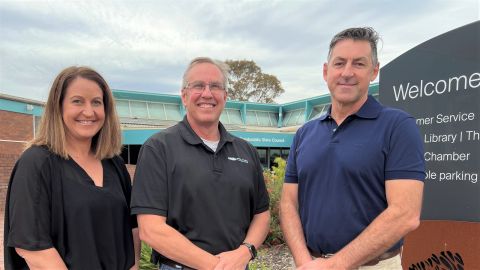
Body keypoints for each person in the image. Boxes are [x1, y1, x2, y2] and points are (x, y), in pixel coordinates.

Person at [280, 27, 425, 270]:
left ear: (374, 71)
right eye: (339, 63)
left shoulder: (397, 127)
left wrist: (334, 265)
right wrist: (305, 262)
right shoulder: (305, 133)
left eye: (359, 63)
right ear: (326, 71)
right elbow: (288, 203)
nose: (347, 72)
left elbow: (405, 214)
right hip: (311, 263)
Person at [131, 57, 270, 270]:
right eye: (198, 85)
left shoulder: (246, 151)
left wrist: (246, 251)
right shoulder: (158, 148)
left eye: (215, 86)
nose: (207, 93)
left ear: (225, 96)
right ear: (184, 96)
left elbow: (261, 214)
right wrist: (215, 266)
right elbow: (150, 228)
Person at [4, 66, 140, 270]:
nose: (89, 111)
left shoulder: (115, 164)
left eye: (96, 102)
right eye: (77, 101)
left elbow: (133, 229)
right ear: (58, 107)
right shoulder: (36, 163)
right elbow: (32, 247)